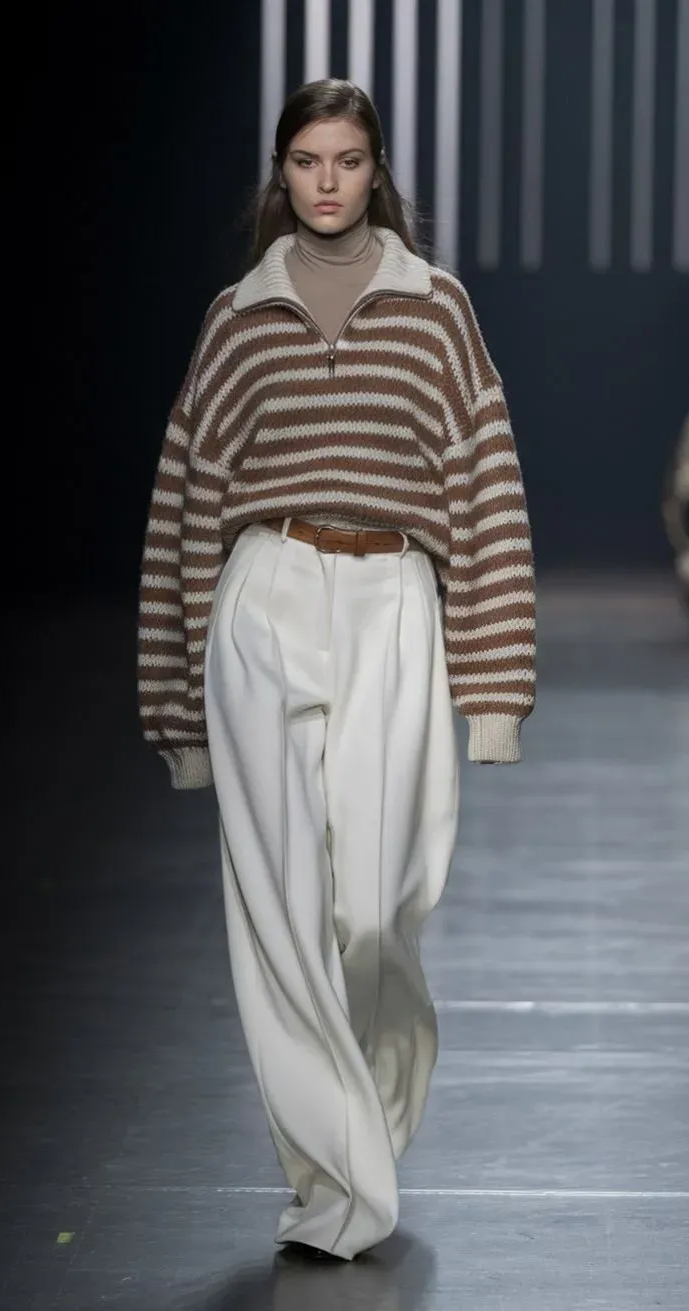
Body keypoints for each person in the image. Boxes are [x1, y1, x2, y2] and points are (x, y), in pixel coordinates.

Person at [137, 79, 536, 1263]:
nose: (326, 181)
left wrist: (493, 692)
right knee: (278, 915)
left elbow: (486, 488)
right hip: (262, 596)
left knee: (373, 909)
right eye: (306, 160)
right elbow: (185, 501)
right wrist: (176, 709)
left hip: (392, 601)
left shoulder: (435, 310)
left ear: (375, 171)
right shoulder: (237, 317)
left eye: (347, 160)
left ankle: (364, 1125)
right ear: (281, 171)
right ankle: (340, 1189)